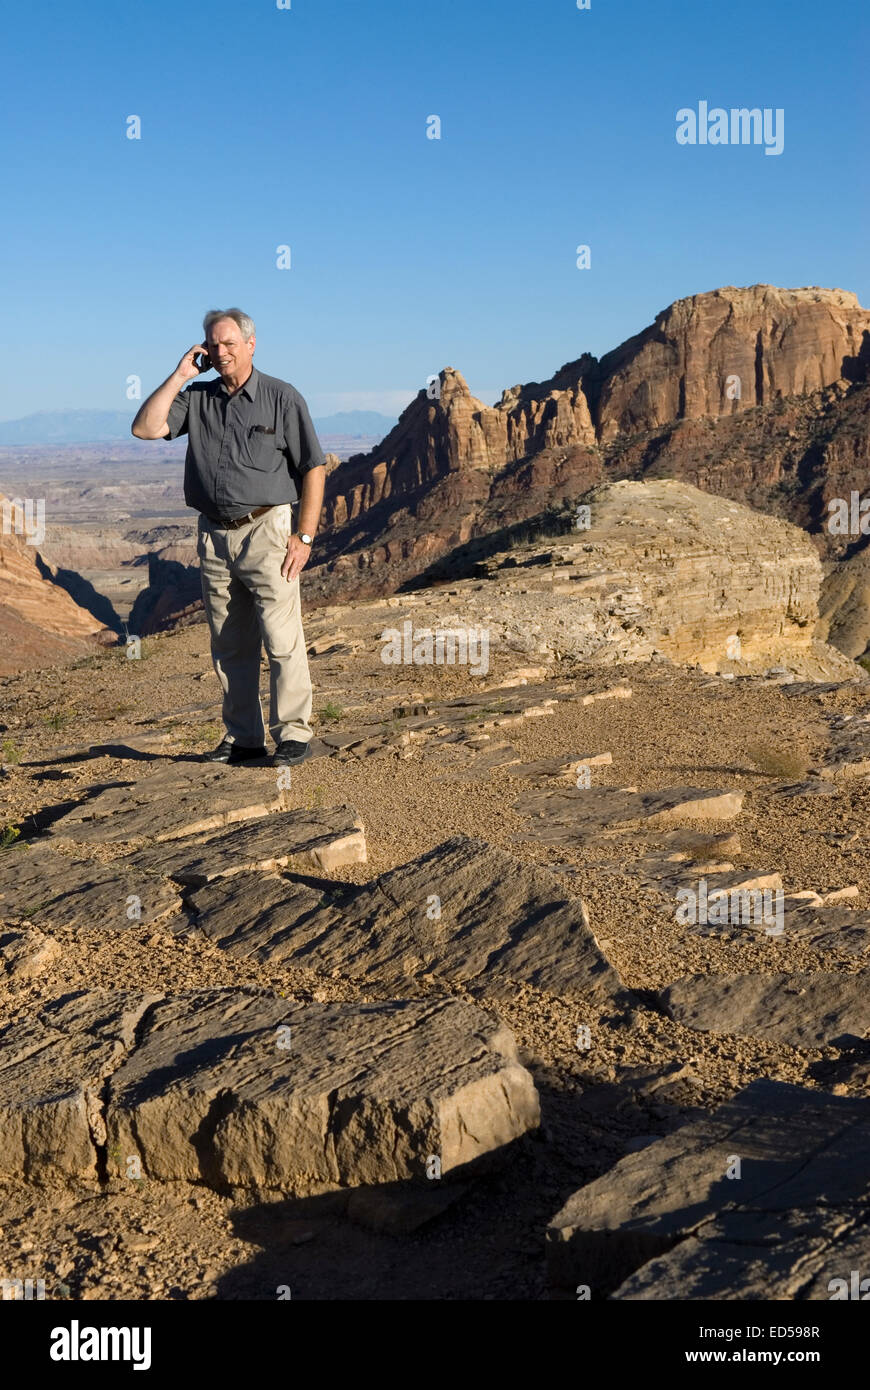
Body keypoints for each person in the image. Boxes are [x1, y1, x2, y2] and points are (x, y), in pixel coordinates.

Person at [131, 308, 325, 767]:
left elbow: (313, 467)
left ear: (251, 344)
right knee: (229, 644)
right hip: (214, 536)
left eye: (230, 343)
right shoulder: (197, 399)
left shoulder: (282, 397)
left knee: (281, 639)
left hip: (268, 531)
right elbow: (145, 428)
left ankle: (294, 735)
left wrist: (305, 537)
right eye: (213, 345)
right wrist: (180, 374)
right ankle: (244, 739)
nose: (221, 353)